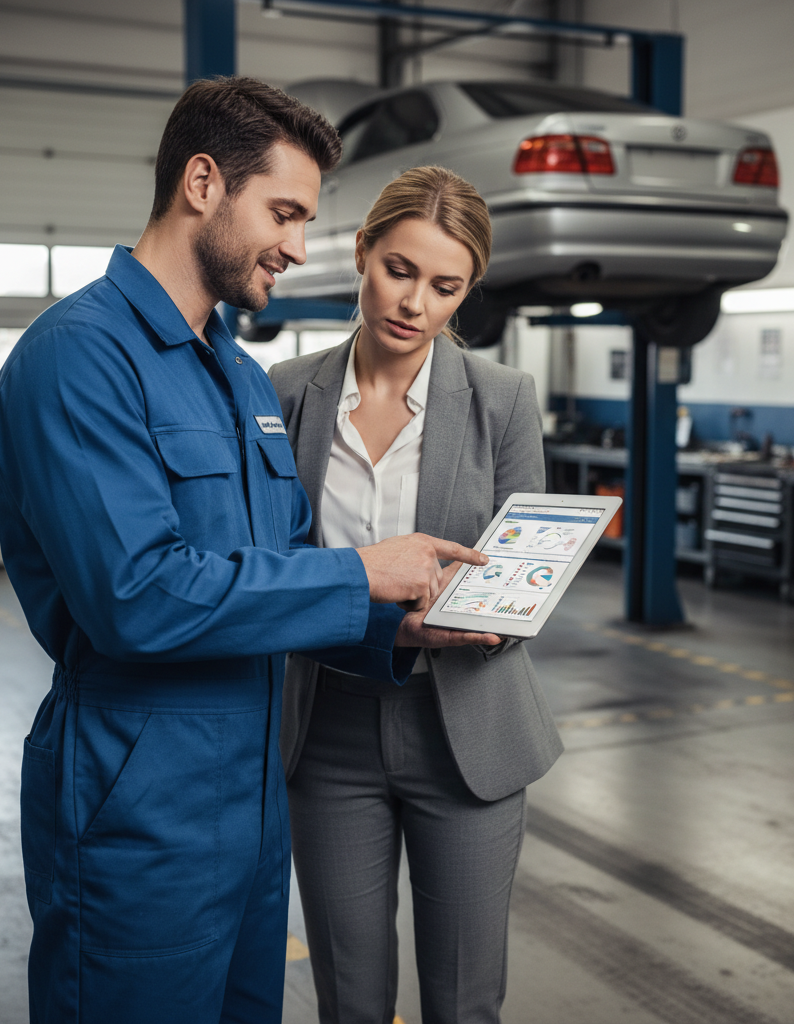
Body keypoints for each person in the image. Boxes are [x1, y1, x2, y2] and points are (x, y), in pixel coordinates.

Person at [0, 80, 496, 1024]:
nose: (299, 246)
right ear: (204, 182)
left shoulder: (240, 375)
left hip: (254, 818)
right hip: (139, 815)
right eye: (285, 213)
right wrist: (361, 572)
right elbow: (137, 596)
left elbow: (287, 581)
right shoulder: (78, 358)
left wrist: (403, 631)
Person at [269, 166, 564, 1024]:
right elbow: (275, 569)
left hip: (466, 729)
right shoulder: (285, 394)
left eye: (445, 287)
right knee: (350, 1001)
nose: (415, 305)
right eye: (399, 271)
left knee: (465, 1001)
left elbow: (521, 580)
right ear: (362, 253)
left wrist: (484, 619)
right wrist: (390, 628)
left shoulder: (504, 401)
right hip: (325, 731)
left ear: (467, 291)